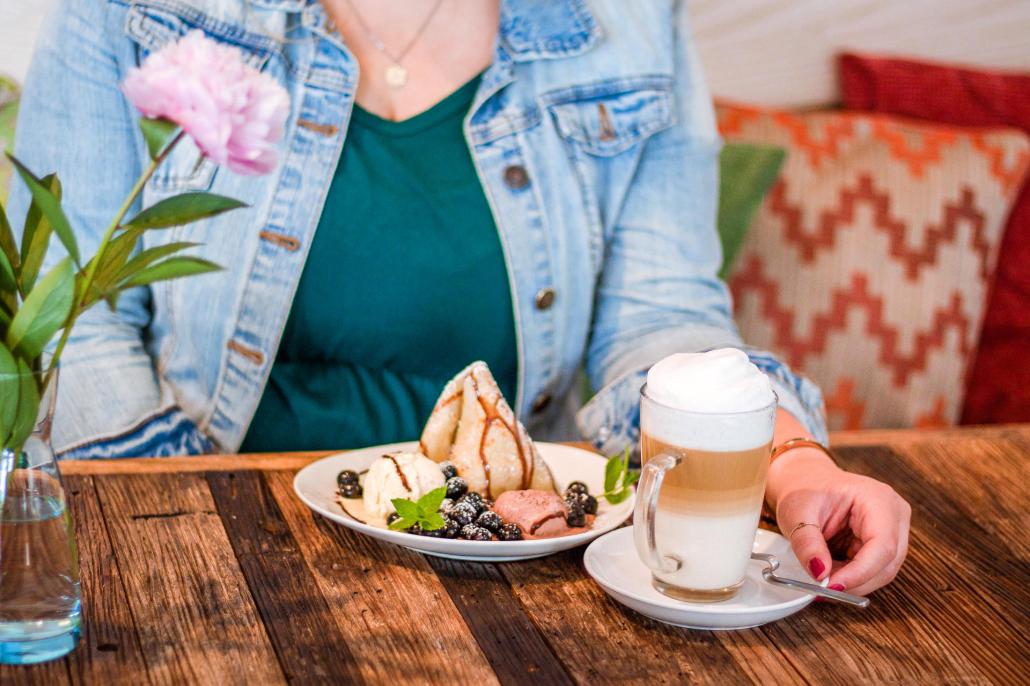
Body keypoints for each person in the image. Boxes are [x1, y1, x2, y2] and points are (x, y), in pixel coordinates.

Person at [9, 0, 909, 595]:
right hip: (216, 554)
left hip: (522, 571)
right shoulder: (128, 10)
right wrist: (186, 539)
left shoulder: (630, 19)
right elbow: (73, 323)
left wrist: (790, 464)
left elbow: (659, 317)